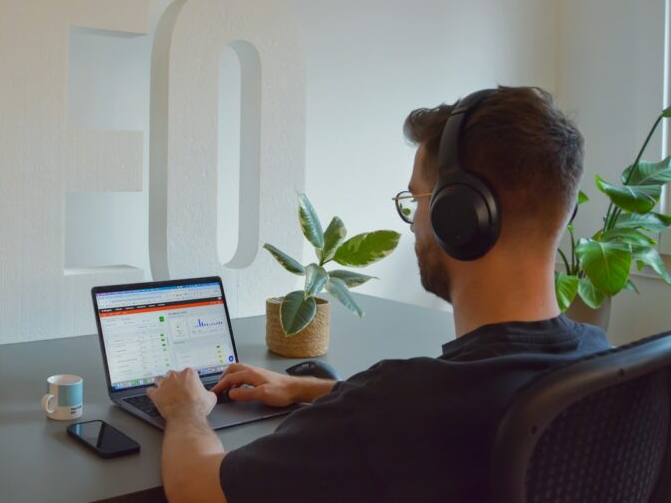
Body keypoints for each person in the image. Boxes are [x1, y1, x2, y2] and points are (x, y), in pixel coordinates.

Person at [147, 86, 611, 503]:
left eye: (418, 200)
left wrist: (186, 410)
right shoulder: (601, 362)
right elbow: (453, 415)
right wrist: (310, 389)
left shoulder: (396, 407)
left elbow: (195, 488)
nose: (412, 223)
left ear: (462, 215)